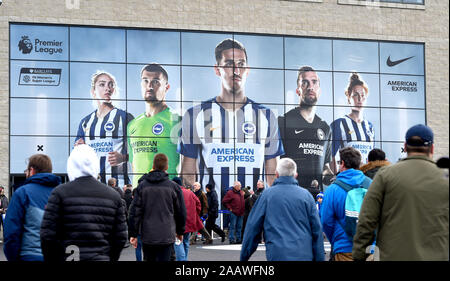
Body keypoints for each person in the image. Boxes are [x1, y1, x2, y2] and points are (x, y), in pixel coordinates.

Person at [178, 38, 284, 208]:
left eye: (241, 64)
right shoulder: (195, 114)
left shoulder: (266, 116)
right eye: (229, 64)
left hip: (254, 212)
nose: (236, 71)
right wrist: (197, 209)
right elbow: (187, 174)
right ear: (217, 69)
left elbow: (273, 175)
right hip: (212, 210)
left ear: (247, 70)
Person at [353, 124, 449, 261]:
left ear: (405, 146)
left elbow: (366, 221)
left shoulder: (385, 176)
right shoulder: (445, 178)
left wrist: (360, 256)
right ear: (432, 148)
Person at [40, 144, 128, 261]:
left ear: (71, 164)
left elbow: (47, 235)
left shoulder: (60, 193)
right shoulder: (113, 196)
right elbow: (120, 237)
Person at [240, 158, 325, 261]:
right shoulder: (306, 196)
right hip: (304, 255)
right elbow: (316, 230)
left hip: (277, 254)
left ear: (276, 174)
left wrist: (244, 257)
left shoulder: (266, 196)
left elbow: (252, 228)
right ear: (295, 175)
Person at [278, 66, 334, 191]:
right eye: (305, 82)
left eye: (314, 82)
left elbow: (325, 167)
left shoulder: (325, 128)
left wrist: (331, 178)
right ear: (298, 90)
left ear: (319, 90)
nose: (310, 87)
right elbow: (275, 165)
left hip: (316, 199)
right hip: (291, 195)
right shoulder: (283, 122)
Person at [75, 70, 134, 187]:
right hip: (92, 186)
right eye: (102, 84)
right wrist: (78, 148)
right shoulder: (85, 122)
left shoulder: (125, 117)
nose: (107, 88)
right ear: (93, 91)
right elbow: (77, 155)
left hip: (119, 186)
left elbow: (139, 151)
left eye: (111, 84)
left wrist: (123, 157)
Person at [127, 63, 181, 188]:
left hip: (167, 196)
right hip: (140, 197)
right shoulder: (132, 125)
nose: (149, 86)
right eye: (145, 81)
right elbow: (134, 163)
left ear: (166, 87)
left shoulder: (177, 120)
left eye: (155, 81)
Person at [128, 153, 186, 261]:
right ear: (167, 167)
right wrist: (180, 231)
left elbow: (134, 212)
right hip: (167, 234)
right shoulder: (173, 187)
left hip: (148, 235)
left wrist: (133, 234)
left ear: (153, 166)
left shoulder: (142, 186)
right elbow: (180, 212)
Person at [3, 154, 61, 261]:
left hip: (29, 255)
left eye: (26, 171)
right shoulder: (61, 193)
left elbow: (11, 233)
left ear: (32, 170)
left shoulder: (22, 193)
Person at [320, 146, 372, 261]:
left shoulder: (333, 189)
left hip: (344, 248)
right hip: (370, 248)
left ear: (342, 163)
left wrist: (336, 240)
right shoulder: (372, 184)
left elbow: (326, 221)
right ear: (359, 164)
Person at [330, 72, 375, 173]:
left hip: (365, 179)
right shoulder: (339, 124)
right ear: (348, 98)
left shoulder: (370, 126)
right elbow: (330, 156)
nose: (360, 99)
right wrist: (337, 176)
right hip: (348, 179)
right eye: (355, 95)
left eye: (363, 95)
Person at [172, 177, 203, 261]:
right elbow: (198, 204)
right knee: (185, 241)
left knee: (178, 242)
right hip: (189, 221)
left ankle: (182, 260)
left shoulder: (174, 193)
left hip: (177, 223)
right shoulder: (189, 192)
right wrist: (194, 214)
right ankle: (184, 258)